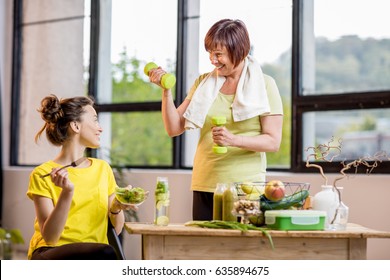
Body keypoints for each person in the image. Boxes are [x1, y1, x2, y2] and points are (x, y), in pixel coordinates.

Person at [149, 19, 283, 220]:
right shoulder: (204, 83)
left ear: (240, 51)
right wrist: (166, 92)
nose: (213, 60)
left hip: (245, 187)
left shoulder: (265, 85)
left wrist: (233, 140)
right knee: (203, 248)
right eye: (210, 53)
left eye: (218, 54)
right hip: (205, 181)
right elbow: (174, 127)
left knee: (238, 250)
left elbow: (273, 141)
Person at [26, 94, 134, 260]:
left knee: (105, 251)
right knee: (105, 253)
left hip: (96, 252)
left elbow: (117, 230)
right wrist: (67, 192)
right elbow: (50, 237)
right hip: (50, 252)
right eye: (95, 120)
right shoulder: (42, 174)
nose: (100, 128)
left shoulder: (103, 169)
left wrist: (116, 207)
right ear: (75, 126)